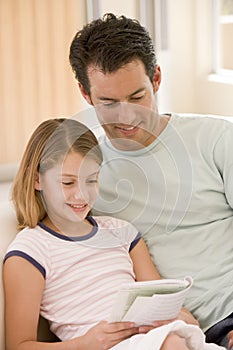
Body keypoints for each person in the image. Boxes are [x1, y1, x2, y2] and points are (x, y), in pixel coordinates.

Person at [69, 13, 233, 349]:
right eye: (109, 103)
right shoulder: (84, 175)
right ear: (86, 94)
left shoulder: (217, 138)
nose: (126, 116)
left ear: (156, 78)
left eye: (137, 97)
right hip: (169, 332)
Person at [3, 118, 221, 350]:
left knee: (177, 340)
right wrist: (84, 344)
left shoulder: (121, 233)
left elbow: (167, 299)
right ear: (37, 179)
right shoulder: (30, 251)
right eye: (67, 183)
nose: (82, 195)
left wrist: (182, 318)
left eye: (91, 180)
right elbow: (18, 346)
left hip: (158, 339)